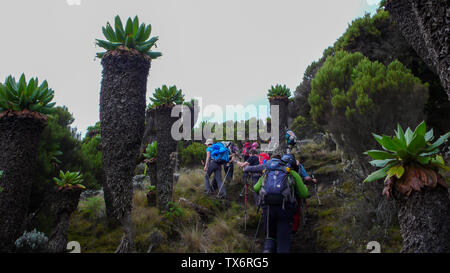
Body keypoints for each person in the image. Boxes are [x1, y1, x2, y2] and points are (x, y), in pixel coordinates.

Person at [253, 156, 310, 253]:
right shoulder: (292, 173)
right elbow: (304, 193)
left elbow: (256, 188)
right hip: (285, 209)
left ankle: (267, 250)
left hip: (268, 208)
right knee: (283, 239)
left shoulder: (267, 172)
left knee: (270, 236)